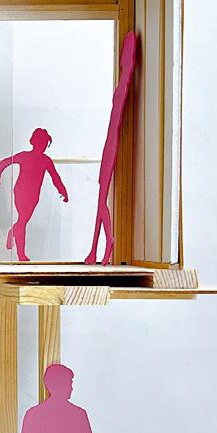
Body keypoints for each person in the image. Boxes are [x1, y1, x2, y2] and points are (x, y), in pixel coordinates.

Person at [85, 31, 137, 265]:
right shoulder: (122, 86)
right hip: (109, 147)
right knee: (100, 200)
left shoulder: (123, 86)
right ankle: (96, 249)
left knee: (101, 201)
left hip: (111, 148)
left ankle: (106, 242)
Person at [0, 128, 68, 262]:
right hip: (21, 191)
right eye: (40, 142)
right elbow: (5, 162)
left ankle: (13, 232)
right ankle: (21, 255)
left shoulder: (46, 160)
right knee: (23, 221)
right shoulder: (24, 156)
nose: (42, 146)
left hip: (33, 195)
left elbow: (55, 177)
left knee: (23, 220)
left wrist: (63, 191)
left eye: (45, 143)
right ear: (33, 142)